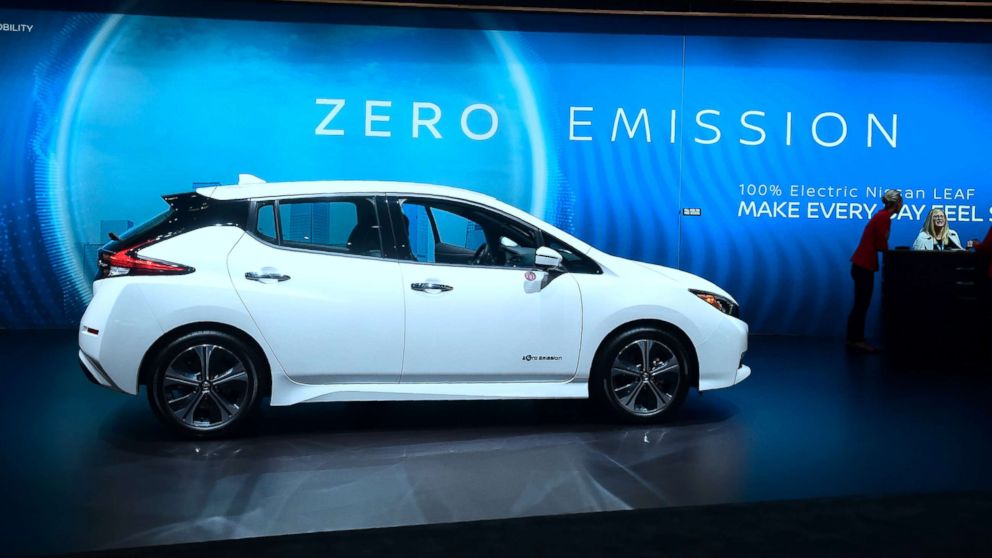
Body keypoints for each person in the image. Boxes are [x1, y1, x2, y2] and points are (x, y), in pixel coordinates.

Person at [847, 189, 903, 352]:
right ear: (898, 203)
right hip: (863, 266)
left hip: (861, 265)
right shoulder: (884, 218)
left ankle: (854, 338)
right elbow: (881, 244)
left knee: (860, 304)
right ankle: (855, 339)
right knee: (861, 304)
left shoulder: (881, 216)